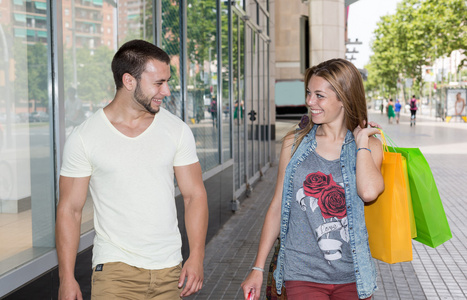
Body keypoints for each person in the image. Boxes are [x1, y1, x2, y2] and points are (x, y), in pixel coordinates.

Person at [56, 40, 209, 300]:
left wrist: (196, 256)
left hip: (169, 269)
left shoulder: (176, 130)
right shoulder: (85, 137)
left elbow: (194, 195)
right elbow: (70, 210)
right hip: (114, 271)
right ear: (129, 81)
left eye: (167, 81)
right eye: (159, 83)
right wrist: (66, 278)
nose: (167, 91)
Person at [241, 58, 384, 300]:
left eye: (319, 95)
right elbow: (277, 206)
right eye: (309, 93)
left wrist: (360, 143)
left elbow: (369, 193)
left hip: (353, 274)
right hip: (301, 273)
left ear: (344, 98)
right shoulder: (293, 143)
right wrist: (257, 267)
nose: (309, 102)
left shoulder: (369, 146)